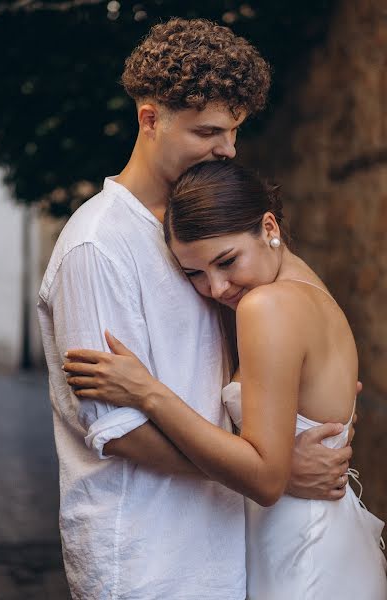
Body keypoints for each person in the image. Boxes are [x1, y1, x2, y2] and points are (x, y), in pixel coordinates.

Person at [39, 17, 353, 600]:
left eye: (234, 133)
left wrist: (313, 391)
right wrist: (276, 474)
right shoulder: (98, 245)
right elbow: (121, 430)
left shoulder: (207, 232)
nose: (227, 150)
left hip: (223, 547)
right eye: (209, 132)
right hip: (146, 557)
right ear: (150, 119)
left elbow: (300, 306)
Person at [64, 161, 387, 599]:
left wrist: (147, 392)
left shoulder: (267, 306)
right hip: (314, 542)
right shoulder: (307, 288)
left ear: (268, 226)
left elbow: (265, 479)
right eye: (194, 273)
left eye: (226, 261)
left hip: (300, 561)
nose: (216, 288)